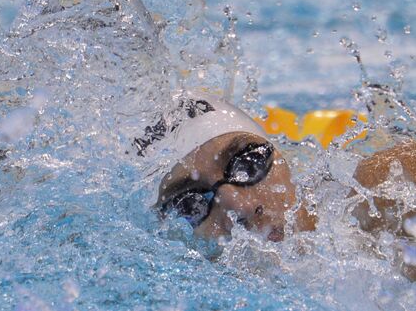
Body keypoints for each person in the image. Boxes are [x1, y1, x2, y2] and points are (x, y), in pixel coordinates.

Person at [136, 90, 415, 280]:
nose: (238, 205)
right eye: (191, 203)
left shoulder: (378, 194)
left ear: (279, 154)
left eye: (247, 163)